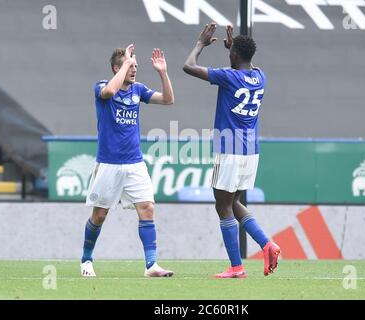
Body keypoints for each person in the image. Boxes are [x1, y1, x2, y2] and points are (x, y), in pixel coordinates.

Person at [183, 23, 281, 278]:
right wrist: (233, 50)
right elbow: (242, 68)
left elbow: (188, 66)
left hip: (229, 149)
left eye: (231, 53)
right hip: (251, 150)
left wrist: (200, 44)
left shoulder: (229, 77)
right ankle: (267, 244)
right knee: (234, 201)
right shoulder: (260, 76)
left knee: (222, 205)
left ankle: (236, 267)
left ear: (234, 55)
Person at [80, 44, 175, 278]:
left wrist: (163, 72)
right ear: (117, 68)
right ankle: (86, 259)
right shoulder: (102, 87)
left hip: (134, 162)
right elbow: (109, 93)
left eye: (135, 66)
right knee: (99, 215)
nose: (134, 69)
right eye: (129, 65)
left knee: (147, 208)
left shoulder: (138, 90)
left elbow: (168, 100)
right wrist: (125, 64)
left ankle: (151, 265)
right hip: (109, 163)